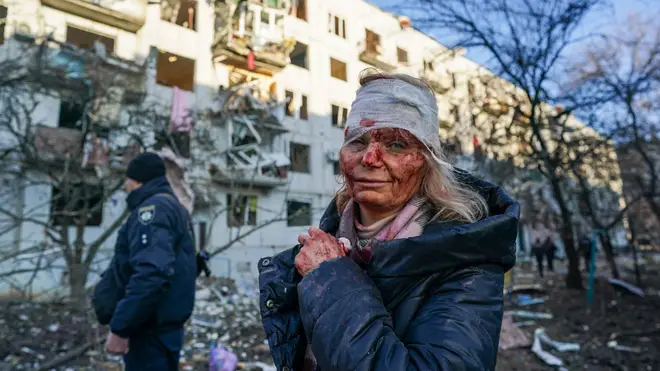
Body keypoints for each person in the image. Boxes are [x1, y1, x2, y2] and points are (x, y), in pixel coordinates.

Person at [258, 71, 519, 371]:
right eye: (357, 141)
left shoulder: (466, 260)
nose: (369, 158)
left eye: (396, 144)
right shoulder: (328, 238)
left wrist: (331, 278)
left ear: (427, 161)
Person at [92, 152, 196, 371]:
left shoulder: (153, 210)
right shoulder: (174, 208)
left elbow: (152, 274)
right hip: (161, 330)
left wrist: (121, 327)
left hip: (149, 334)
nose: (125, 186)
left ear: (137, 180)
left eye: (127, 180)